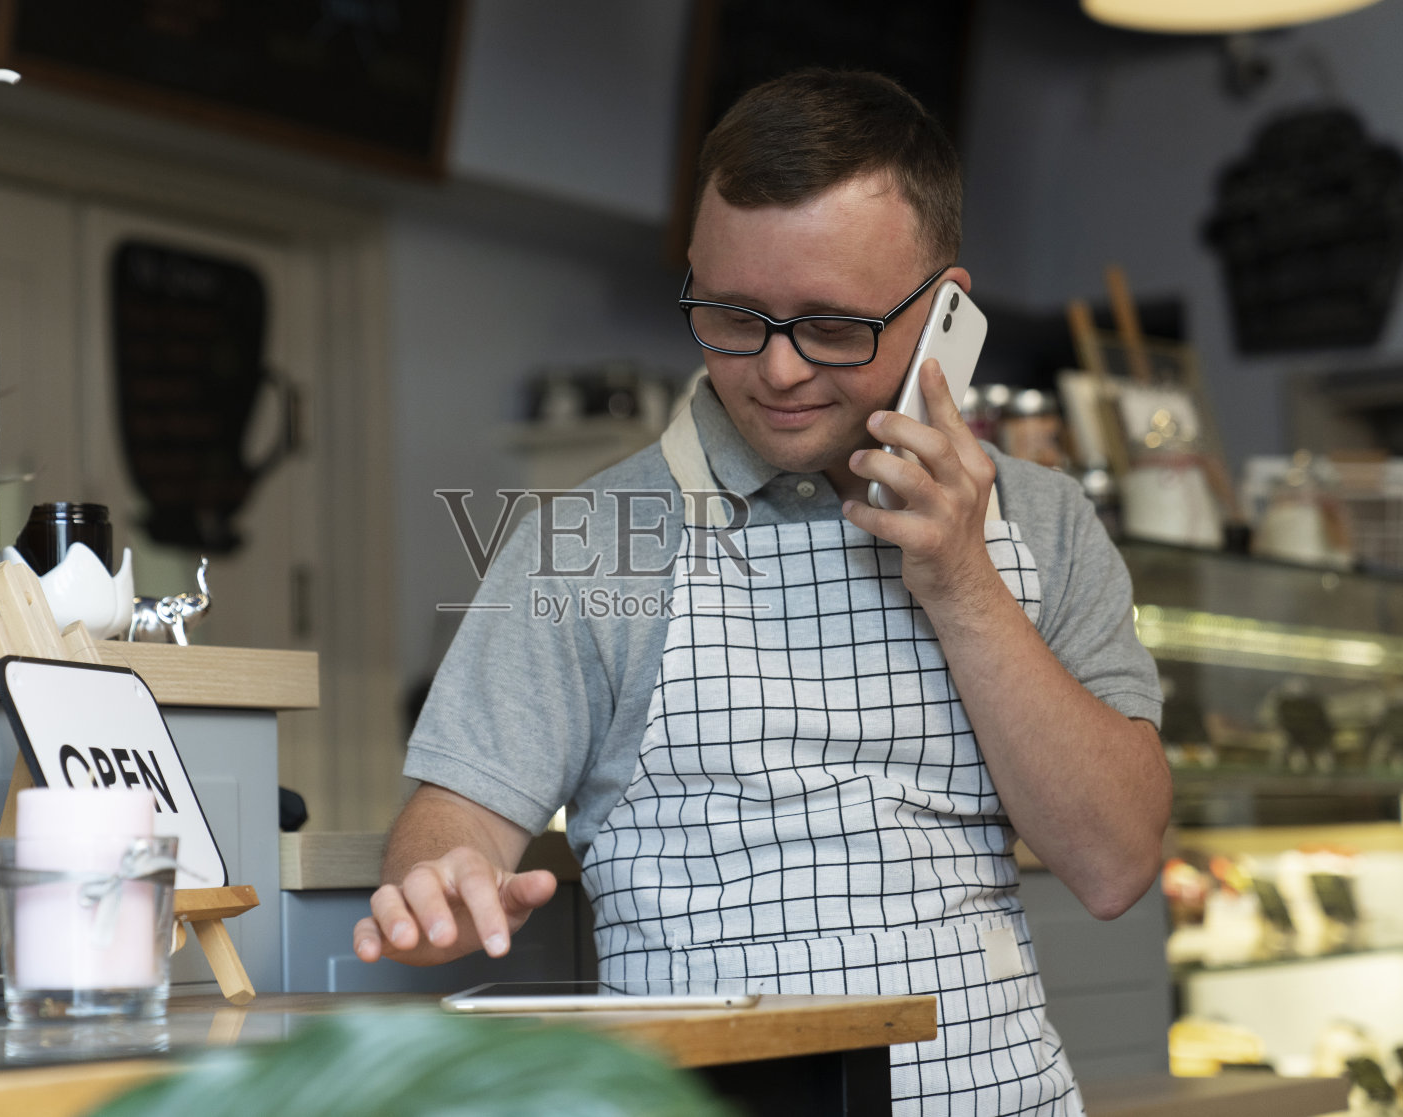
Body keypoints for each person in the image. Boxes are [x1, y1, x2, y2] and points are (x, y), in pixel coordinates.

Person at [355, 69, 1168, 1115]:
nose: (778, 371)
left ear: (944, 311)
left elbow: (1113, 865)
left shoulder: (1044, 522)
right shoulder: (585, 542)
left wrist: (965, 584)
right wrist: (440, 882)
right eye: (733, 314)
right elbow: (453, 817)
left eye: (832, 326)